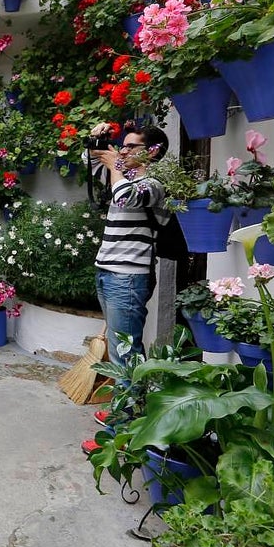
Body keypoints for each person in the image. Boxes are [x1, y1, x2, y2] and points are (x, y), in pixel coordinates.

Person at [86, 122, 170, 370]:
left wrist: (114, 165)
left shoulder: (155, 184)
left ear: (152, 151)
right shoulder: (124, 177)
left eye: (131, 146)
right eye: (122, 146)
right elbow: (92, 165)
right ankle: (126, 403)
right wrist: (96, 141)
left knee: (125, 350)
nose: (122, 152)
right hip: (108, 272)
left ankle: (131, 407)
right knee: (118, 346)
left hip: (128, 277)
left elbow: (124, 197)